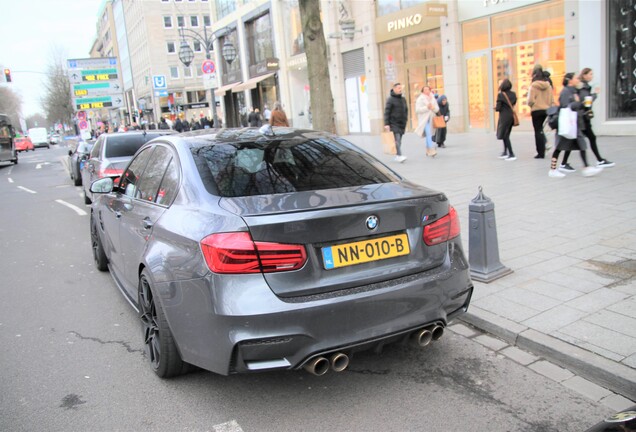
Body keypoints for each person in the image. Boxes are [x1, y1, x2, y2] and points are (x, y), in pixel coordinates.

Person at [558, 68, 614, 172]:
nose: (592, 76)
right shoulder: (580, 88)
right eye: (590, 74)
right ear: (584, 75)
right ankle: (592, 163)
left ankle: (567, 163)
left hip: (580, 118)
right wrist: (594, 95)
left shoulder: (581, 87)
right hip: (581, 118)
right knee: (582, 140)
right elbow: (584, 102)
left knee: (577, 141)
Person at [548, 73, 602, 178]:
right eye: (576, 78)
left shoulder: (574, 91)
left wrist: (588, 99)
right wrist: (578, 104)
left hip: (574, 124)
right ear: (570, 80)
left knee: (582, 144)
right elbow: (565, 106)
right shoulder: (566, 92)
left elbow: (579, 104)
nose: (578, 79)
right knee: (559, 148)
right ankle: (553, 169)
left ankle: (586, 167)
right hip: (566, 124)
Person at [527, 66, 554, 158]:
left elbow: (530, 100)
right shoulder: (548, 86)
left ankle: (540, 152)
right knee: (542, 130)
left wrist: (532, 105)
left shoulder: (533, 85)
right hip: (546, 110)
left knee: (538, 131)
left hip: (536, 110)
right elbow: (551, 100)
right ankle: (545, 147)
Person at [383, 83, 408, 163]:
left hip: (402, 123)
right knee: (397, 140)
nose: (400, 89)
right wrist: (386, 124)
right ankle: (400, 155)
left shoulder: (403, 99)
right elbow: (387, 112)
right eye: (398, 88)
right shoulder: (390, 99)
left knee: (399, 140)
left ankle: (397, 155)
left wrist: (405, 119)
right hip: (393, 123)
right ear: (394, 89)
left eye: (400, 88)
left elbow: (406, 110)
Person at [495, 78, 517, 161]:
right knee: (506, 134)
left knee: (505, 135)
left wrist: (496, 107)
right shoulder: (513, 94)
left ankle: (511, 153)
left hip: (504, 117)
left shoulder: (501, 95)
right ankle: (505, 152)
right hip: (511, 116)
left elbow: (498, 108)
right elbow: (513, 103)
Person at [414, 86, 439, 157]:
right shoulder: (420, 99)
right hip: (424, 120)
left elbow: (437, 109)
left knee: (429, 134)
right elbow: (417, 110)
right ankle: (431, 149)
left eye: (428, 89)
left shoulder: (433, 98)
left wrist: (433, 108)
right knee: (428, 133)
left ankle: (428, 150)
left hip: (432, 119)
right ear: (422, 91)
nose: (427, 91)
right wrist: (427, 108)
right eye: (425, 89)